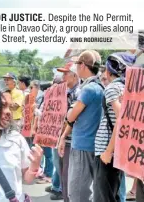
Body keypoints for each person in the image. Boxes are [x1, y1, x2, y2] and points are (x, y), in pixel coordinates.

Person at [58, 50, 104, 202]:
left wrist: (70, 110)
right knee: (87, 191)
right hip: (92, 145)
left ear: (83, 65)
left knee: (77, 192)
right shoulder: (99, 86)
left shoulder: (89, 89)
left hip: (83, 145)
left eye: (77, 64)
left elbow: (71, 116)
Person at [94, 52, 136, 202]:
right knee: (114, 193)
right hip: (117, 149)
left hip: (108, 149)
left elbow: (121, 119)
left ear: (108, 70)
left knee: (104, 196)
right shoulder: (129, 88)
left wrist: (108, 151)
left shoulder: (112, 88)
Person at [56, 62, 81, 202]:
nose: (63, 76)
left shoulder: (78, 93)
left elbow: (71, 117)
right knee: (64, 175)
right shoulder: (64, 92)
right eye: (62, 73)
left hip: (70, 140)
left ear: (74, 75)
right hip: (62, 139)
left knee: (69, 176)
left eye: (66, 73)